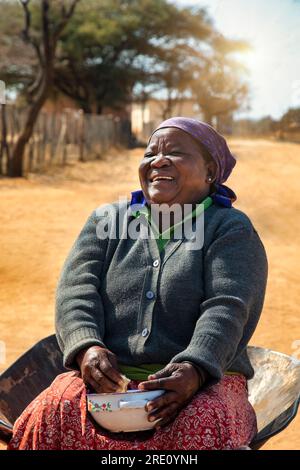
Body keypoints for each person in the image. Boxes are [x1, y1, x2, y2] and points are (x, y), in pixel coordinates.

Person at [8, 117, 268, 450]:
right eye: (150, 154)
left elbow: (228, 305)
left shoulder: (229, 227)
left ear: (210, 171)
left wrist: (196, 367)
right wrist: (87, 348)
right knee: (53, 410)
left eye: (175, 152)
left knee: (200, 422)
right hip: (110, 382)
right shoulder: (108, 221)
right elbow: (76, 291)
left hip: (203, 381)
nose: (158, 160)